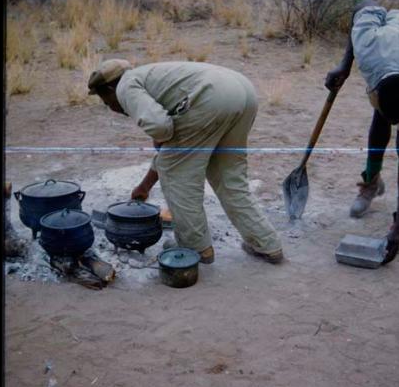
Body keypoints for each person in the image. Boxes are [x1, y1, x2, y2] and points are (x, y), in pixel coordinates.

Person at [88, 59, 284, 264]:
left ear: (110, 88)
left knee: (179, 179)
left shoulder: (125, 86)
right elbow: (170, 148)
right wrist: (144, 186)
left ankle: (195, 248)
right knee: (230, 178)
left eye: (106, 101)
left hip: (211, 98)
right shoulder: (151, 77)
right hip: (241, 91)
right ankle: (267, 244)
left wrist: (160, 136)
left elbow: (162, 130)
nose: (110, 107)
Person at [325, 0, 399, 264]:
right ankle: (371, 183)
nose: (395, 122)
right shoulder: (369, 47)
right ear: (377, 91)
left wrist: (397, 226)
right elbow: (363, 6)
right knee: (380, 122)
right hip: (393, 30)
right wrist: (345, 65)